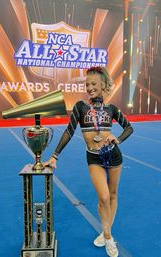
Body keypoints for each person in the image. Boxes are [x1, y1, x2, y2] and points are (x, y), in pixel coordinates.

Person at [43, 66, 133, 257]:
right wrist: (54, 155)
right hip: (93, 157)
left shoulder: (112, 109)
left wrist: (118, 139)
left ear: (103, 86)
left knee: (113, 195)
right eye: (87, 84)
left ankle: (105, 231)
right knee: (103, 196)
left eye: (93, 84)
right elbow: (69, 131)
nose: (89, 87)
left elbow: (129, 128)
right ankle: (108, 238)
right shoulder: (80, 107)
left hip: (113, 155)